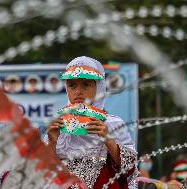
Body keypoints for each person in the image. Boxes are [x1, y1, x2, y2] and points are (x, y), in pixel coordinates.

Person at [45, 56, 137, 189]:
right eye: (72, 85)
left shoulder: (113, 123)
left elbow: (129, 169)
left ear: (99, 87)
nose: (78, 92)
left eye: (86, 85)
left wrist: (108, 140)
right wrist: (52, 142)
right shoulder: (58, 124)